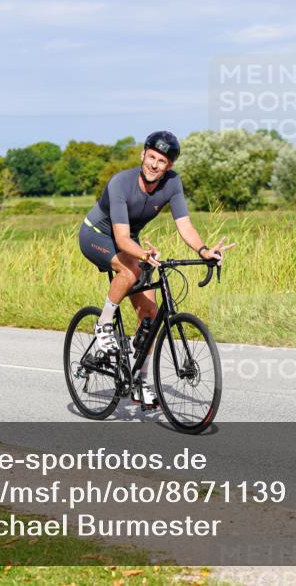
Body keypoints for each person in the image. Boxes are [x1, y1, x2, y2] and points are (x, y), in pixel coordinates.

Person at [78, 131, 234, 407]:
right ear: (143, 155)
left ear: (169, 166)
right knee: (130, 272)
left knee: (150, 315)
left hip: (129, 239)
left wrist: (204, 251)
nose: (154, 165)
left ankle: (140, 380)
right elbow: (123, 239)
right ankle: (103, 325)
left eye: (161, 161)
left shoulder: (172, 184)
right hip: (97, 236)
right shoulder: (121, 184)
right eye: (151, 157)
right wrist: (142, 254)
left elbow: (184, 225)